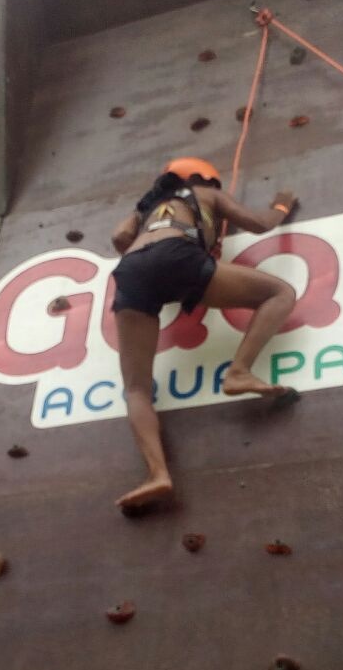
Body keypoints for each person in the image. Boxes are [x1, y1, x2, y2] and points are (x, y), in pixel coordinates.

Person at [109, 157, 299, 511]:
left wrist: (151, 264)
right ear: (207, 178)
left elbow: (119, 237)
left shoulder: (145, 210)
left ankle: (158, 474)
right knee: (279, 294)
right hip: (177, 255)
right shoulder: (204, 193)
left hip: (132, 270)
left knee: (136, 389)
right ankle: (239, 371)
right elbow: (259, 223)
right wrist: (282, 204)